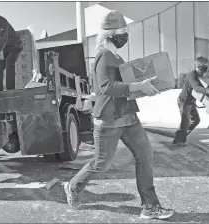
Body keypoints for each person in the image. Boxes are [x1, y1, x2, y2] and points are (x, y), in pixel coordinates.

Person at [63, 10, 175, 220]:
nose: (125, 35)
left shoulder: (117, 57)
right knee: (101, 164)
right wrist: (138, 85)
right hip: (109, 120)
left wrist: (143, 89)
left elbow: (124, 88)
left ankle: (150, 206)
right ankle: (73, 186)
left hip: (129, 117)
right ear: (110, 33)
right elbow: (107, 87)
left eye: (126, 31)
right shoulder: (104, 56)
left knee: (145, 156)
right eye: (122, 31)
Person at [172, 57, 209, 146]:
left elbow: (203, 88)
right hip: (184, 101)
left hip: (191, 102)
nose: (203, 71)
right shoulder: (192, 75)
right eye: (201, 69)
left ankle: (181, 135)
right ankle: (178, 140)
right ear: (197, 67)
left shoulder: (200, 76)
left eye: (204, 69)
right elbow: (197, 88)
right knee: (185, 122)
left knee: (196, 120)